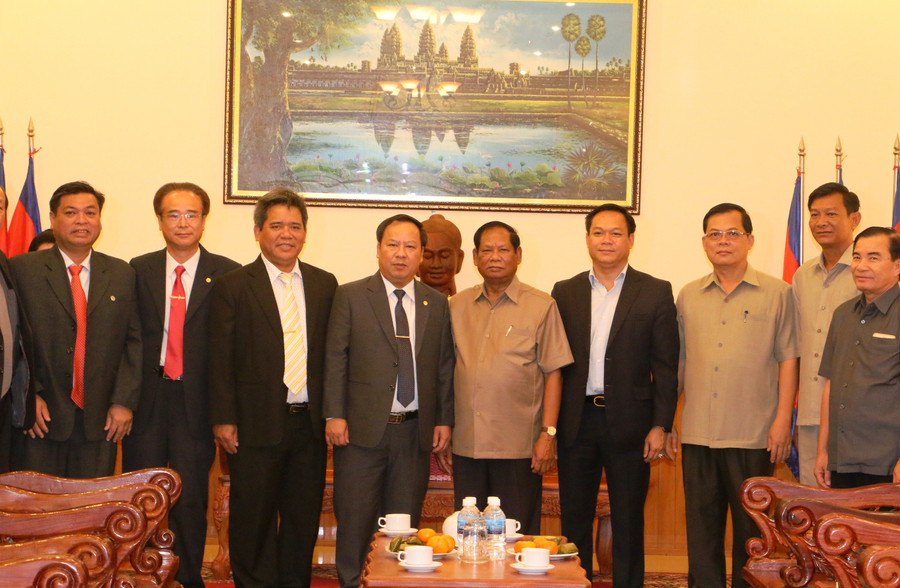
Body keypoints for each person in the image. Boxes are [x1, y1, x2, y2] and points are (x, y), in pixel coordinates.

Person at [209, 188, 336, 588]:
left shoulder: (324, 283)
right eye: (277, 225)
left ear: (305, 233)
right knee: (253, 518)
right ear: (258, 232)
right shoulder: (233, 285)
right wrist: (224, 418)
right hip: (253, 424)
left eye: (295, 226)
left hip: (309, 424)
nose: (287, 234)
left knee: (302, 518)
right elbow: (219, 357)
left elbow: (333, 356)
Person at [671, 203, 798, 588]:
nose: (722, 241)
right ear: (704, 242)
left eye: (732, 233)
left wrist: (782, 421)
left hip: (753, 434)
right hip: (698, 433)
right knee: (701, 530)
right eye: (714, 234)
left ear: (750, 240)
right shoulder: (688, 295)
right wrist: (668, 421)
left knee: (752, 534)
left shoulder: (778, 293)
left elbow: (788, 359)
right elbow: (679, 361)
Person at [323, 214, 454, 588]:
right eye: (393, 245)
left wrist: (443, 420)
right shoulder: (350, 295)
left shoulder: (436, 303)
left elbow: (444, 366)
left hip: (414, 432)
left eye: (410, 246)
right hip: (360, 432)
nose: (401, 253)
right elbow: (335, 357)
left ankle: (396, 583)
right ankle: (352, 581)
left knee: (404, 522)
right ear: (378, 249)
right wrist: (334, 414)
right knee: (355, 518)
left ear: (421, 254)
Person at [552, 204, 679, 587]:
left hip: (631, 424)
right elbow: (555, 364)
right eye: (598, 232)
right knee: (574, 519)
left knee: (628, 519)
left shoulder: (655, 291)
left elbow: (666, 366)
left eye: (616, 233)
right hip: (576, 421)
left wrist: (661, 425)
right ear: (587, 238)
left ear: (631, 240)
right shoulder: (565, 291)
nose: (606, 240)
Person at [124, 182, 239, 588]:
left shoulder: (228, 273)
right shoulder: (137, 269)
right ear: (159, 221)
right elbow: (127, 338)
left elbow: (232, 349)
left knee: (190, 498)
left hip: (197, 401)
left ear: (205, 220)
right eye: (173, 214)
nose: (183, 222)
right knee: (142, 496)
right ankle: (143, 575)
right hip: (147, 399)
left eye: (192, 214)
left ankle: (189, 578)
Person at [444, 220, 572, 534]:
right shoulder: (455, 306)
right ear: (475, 257)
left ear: (518, 255)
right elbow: (444, 373)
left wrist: (548, 434)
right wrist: (444, 428)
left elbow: (554, 373)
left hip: (519, 448)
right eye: (487, 250)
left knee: (516, 536)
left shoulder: (541, 306)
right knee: (469, 536)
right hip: (467, 444)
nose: (495, 256)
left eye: (503, 250)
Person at [10, 181, 141, 477]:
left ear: (100, 220)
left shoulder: (122, 273)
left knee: (92, 502)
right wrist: (28, 395)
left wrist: (123, 401)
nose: (82, 220)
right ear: (53, 218)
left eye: (90, 213)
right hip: (39, 417)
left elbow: (133, 344)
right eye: (71, 212)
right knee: (38, 503)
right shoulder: (22, 269)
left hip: (101, 420)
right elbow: (12, 340)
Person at [814, 227, 900, 489]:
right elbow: (831, 385)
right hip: (842, 460)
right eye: (856, 257)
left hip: (888, 462)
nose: (861, 266)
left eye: (873, 258)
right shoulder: (843, 314)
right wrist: (823, 450)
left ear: (897, 266)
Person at [792, 182, 860, 485]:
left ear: (854, 219)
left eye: (831, 214)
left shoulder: (868, 272)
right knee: (812, 502)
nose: (821, 222)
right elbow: (796, 345)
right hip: (809, 414)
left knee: (854, 505)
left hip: (855, 417)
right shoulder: (802, 276)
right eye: (814, 214)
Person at [418, 213, 465, 296]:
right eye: (428, 256)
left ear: (459, 259)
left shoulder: (467, 302)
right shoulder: (404, 302)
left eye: (444, 256)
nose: (436, 264)